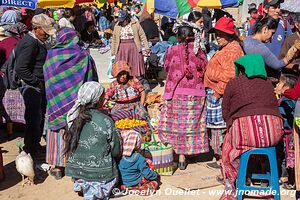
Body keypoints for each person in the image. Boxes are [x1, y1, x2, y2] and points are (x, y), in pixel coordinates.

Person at [221, 54, 284, 199]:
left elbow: (226, 112)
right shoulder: (268, 83)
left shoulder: (233, 83)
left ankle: (233, 184)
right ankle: (263, 175)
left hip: (247, 134)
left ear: (241, 69)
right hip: (273, 135)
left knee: (227, 145)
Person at [43, 28, 98, 180]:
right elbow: (91, 78)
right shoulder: (83, 55)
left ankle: (58, 166)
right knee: (76, 129)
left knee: (58, 131)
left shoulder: (51, 56)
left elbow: (47, 77)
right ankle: (75, 164)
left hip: (55, 101)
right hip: (75, 102)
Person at [158, 21, 208, 170]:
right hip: (197, 94)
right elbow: (205, 67)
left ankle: (180, 156)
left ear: (178, 36)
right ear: (193, 35)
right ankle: (186, 153)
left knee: (178, 125)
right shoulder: (200, 51)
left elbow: (167, 67)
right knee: (191, 126)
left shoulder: (172, 50)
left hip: (176, 93)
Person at [65, 81, 121, 200]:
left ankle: (81, 186)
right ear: (97, 99)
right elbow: (116, 150)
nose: (105, 97)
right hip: (101, 176)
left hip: (78, 173)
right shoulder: (106, 120)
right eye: (103, 95)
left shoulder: (74, 118)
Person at [204, 17, 244, 165]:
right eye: (216, 34)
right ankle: (221, 158)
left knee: (221, 129)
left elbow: (229, 75)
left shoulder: (233, 50)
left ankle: (223, 159)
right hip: (218, 92)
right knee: (217, 129)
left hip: (221, 93)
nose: (218, 37)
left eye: (221, 34)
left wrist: (217, 93)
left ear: (230, 34)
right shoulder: (227, 48)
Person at [14, 14, 56, 156]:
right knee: (33, 118)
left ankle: (34, 145)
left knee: (37, 117)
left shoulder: (36, 41)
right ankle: (30, 149)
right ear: (36, 29)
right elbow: (21, 68)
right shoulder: (30, 43)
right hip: (32, 87)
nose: (46, 35)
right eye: (44, 31)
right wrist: (37, 82)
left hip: (37, 86)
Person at [243, 16, 300, 82]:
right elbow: (277, 65)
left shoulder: (247, 40)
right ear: (265, 29)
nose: (272, 38)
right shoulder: (259, 48)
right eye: (272, 33)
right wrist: (291, 54)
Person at [105, 61, 149, 137]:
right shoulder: (114, 84)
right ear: (116, 75)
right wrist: (104, 103)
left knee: (141, 118)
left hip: (134, 106)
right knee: (113, 119)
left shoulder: (133, 80)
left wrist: (141, 105)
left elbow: (142, 92)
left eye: (124, 74)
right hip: (120, 108)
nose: (122, 76)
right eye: (119, 74)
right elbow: (107, 95)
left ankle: (140, 131)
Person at [0, 22, 28, 139]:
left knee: (5, 106)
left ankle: (8, 130)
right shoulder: (21, 44)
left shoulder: (4, 43)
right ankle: (16, 129)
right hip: (16, 81)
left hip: (3, 80)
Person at [274, 73, 298, 189]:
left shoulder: (287, 101)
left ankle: (287, 178)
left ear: (286, 88)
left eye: (279, 83)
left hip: (288, 134)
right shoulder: (284, 99)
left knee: (286, 157)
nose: (276, 85)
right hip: (286, 134)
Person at [118, 130, 158, 194]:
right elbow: (147, 174)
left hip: (123, 182)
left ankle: (126, 188)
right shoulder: (139, 158)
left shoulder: (119, 157)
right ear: (137, 143)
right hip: (136, 182)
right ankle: (136, 188)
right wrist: (155, 175)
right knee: (154, 183)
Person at [111, 10, 150, 78]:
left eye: (123, 21)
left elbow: (142, 35)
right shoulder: (117, 26)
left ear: (127, 19)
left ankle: (135, 81)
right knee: (122, 66)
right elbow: (114, 39)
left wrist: (147, 47)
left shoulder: (135, 24)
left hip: (133, 47)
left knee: (133, 64)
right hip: (121, 48)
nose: (121, 22)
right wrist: (113, 51)